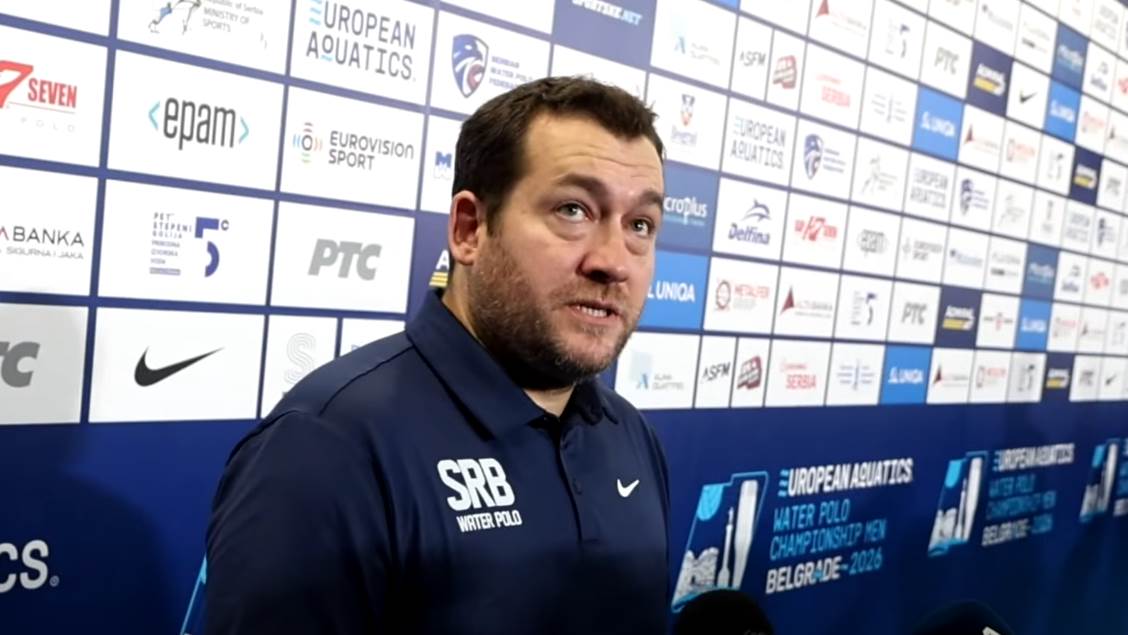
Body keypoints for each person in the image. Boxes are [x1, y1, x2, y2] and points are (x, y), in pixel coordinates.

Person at [204, 76, 671, 634]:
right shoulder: (328, 447)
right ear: (469, 229)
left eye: (640, 224)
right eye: (573, 210)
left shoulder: (632, 436)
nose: (613, 261)